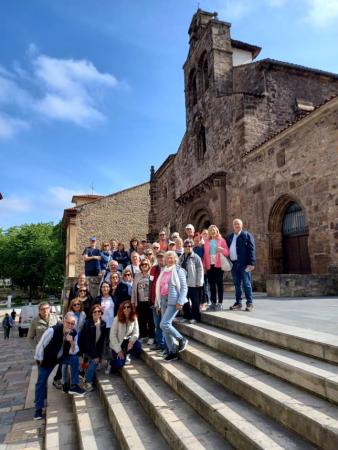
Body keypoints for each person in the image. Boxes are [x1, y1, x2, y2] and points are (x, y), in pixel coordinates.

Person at [33, 313, 85, 420]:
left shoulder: (74, 333)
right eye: (68, 322)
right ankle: (38, 410)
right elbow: (40, 345)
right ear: (63, 321)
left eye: (72, 323)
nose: (70, 325)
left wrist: (71, 342)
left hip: (62, 357)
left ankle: (74, 386)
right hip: (47, 359)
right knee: (41, 383)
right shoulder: (52, 331)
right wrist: (39, 359)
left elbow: (74, 351)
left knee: (75, 359)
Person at [156, 251, 188, 362]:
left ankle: (181, 339)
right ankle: (172, 351)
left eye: (172, 258)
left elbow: (184, 287)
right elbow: (159, 287)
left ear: (175, 259)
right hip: (163, 300)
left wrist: (180, 301)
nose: (169, 259)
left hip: (174, 301)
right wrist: (158, 303)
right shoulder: (163, 271)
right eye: (167, 258)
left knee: (164, 324)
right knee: (165, 328)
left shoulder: (179, 270)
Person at [226, 218, 256, 311]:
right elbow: (226, 248)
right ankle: (238, 303)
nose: (237, 225)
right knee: (236, 284)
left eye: (238, 224)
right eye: (235, 224)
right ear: (233, 226)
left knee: (246, 284)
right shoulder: (230, 236)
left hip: (244, 264)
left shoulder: (246, 235)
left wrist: (251, 263)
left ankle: (249, 303)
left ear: (241, 225)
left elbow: (252, 249)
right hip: (234, 264)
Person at [79, 305, 106, 391]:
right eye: (95, 312)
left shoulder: (103, 323)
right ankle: (88, 382)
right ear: (91, 313)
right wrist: (95, 356)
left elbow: (102, 341)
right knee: (93, 362)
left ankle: (82, 371)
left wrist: (100, 355)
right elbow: (88, 342)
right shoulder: (88, 324)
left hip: (95, 347)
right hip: (86, 347)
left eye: (99, 312)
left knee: (87, 360)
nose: (97, 313)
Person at [202, 224, 229, 311]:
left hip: (219, 265)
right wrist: (205, 266)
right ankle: (213, 303)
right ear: (209, 232)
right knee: (212, 285)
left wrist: (222, 250)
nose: (212, 232)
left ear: (217, 231)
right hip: (210, 266)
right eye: (211, 230)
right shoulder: (206, 242)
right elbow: (205, 255)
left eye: (214, 230)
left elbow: (227, 253)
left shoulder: (222, 240)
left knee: (219, 284)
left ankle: (220, 303)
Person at [109, 300, 142, 370]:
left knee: (138, 346)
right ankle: (111, 363)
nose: (126, 309)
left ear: (131, 308)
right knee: (119, 364)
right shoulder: (117, 319)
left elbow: (136, 332)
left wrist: (132, 341)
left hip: (127, 341)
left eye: (128, 307)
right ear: (122, 309)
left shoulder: (134, 317)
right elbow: (112, 336)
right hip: (117, 344)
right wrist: (118, 350)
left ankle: (127, 354)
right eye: (124, 307)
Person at [94, 281, 117, 373]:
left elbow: (118, 310)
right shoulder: (97, 299)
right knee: (100, 343)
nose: (105, 288)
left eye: (107, 287)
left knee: (110, 345)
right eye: (103, 287)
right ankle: (99, 362)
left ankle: (109, 363)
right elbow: (93, 310)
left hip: (112, 325)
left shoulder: (114, 298)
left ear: (110, 288)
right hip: (101, 325)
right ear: (101, 289)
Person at [179, 239, 204, 323]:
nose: (187, 247)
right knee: (185, 300)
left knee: (195, 301)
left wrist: (199, 282)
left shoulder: (196, 257)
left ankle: (196, 317)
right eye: (185, 246)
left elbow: (200, 270)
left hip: (193, 283)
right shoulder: (181, 257)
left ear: (192, 247)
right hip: (183, 284)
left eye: (189, 246)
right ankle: (187, 316)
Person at [131, 258, 154, 345]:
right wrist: (133, 302)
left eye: (146, 264)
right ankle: (143, 336)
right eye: (142, 264)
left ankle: (151, 336)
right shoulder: (137, 275)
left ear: (149, 265)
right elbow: (133, 290)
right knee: (142, 320)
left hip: (149, 301)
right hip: (140, 301)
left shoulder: (151, 275)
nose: (144, 266)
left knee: (151, 320)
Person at [150, 251, 166, 350]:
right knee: (157, 323)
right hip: (155, 300)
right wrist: (151, 300)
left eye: (162, 257)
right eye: (159, 257)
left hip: (165, 301)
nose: (160, 259)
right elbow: (151, 284)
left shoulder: (168, 269)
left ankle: (164, 344)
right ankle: (159, 343)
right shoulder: (154, 269)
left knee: (163, 323)